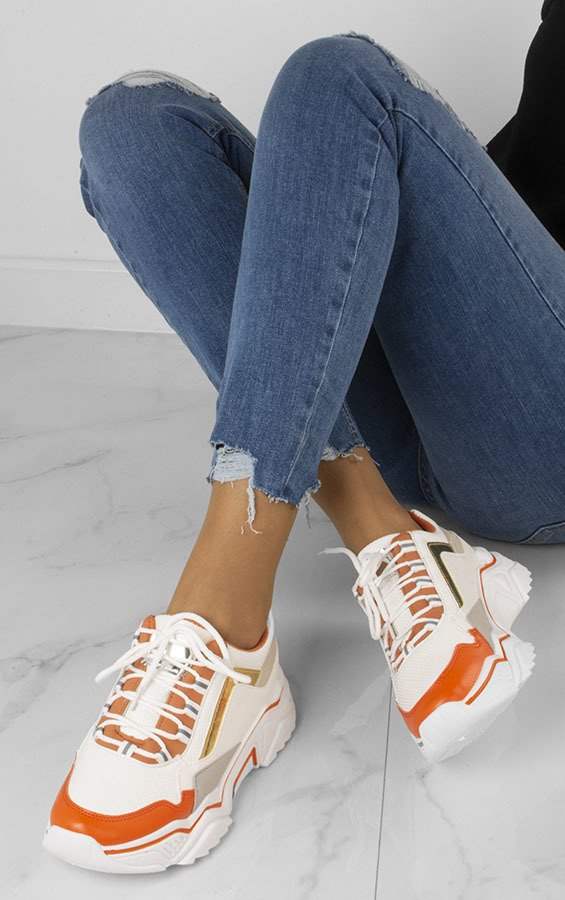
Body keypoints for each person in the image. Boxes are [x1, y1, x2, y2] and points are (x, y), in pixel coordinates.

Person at [43, 5, 565, 875]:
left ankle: (225, 621)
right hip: (451, 368)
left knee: (338, 73)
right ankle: (385, 532)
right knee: (133, 123)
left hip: (542, 432)